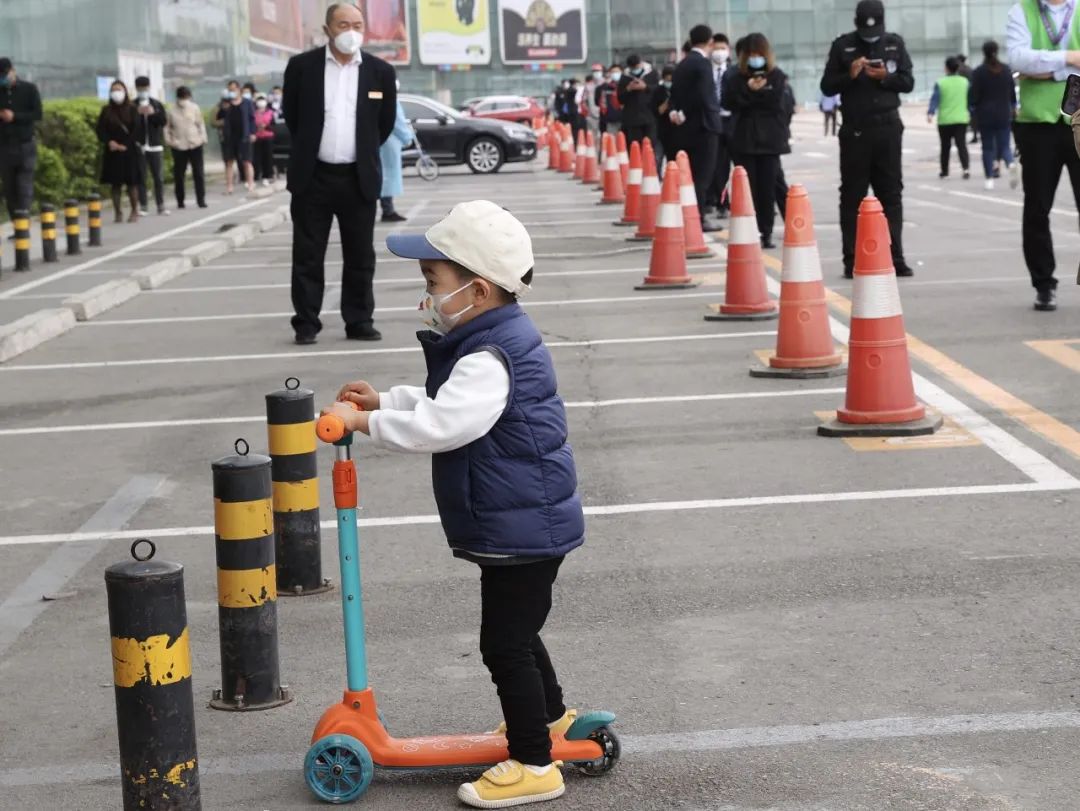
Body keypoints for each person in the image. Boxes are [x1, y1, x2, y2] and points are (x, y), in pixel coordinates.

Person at [325, 199, 584, 810]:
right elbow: (445, 398)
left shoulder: (492, 355)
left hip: (522, 527)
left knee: (505, 643)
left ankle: (533, 763)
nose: (428, 297)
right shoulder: (490, 340)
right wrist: (384, 399)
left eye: (434, 284)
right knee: (519, 634)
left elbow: (442, 424)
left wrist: (362, 422)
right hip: (521, 524)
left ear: (480, 290)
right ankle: (549, 721)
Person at [283, 2, 396, 344]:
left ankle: (359, 321)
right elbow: (293, 116)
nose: (351, 31)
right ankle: (306, 322)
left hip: (358, 178)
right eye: (343, 24)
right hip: (312, 177)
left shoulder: (380, 71)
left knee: (360, 255)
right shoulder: (302, 67)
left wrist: (361, 152)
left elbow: (384, 124)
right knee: (307, 255)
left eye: (358, 24)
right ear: (328, 29)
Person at [820, 0, 915, 278]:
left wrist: (886, 77)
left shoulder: (894, 44)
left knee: (891, 193)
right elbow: (827, 85)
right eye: (865, 30)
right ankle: (851, 259)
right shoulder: (843, 46)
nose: (870, 35)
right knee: (852, 195)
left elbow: (908, 82)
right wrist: (849, 75)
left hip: (887, 127)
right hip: (856, 130)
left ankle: (896, 256)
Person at [1006, 0, 1080, 312]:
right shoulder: (1021, 11)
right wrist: (1070, 60)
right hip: (1036, 124)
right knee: (1037, 209)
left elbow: (1029, 64)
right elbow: (1017, 58)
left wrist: (1044, 71)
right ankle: (1044, 284)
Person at [724, 33, 789, 249]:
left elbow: (776, 103)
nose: (755, 59)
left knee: (768, 188)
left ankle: (767, 232)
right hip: (745, 140)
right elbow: (730, 102)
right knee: (748, 188)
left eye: (759, 54)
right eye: (751, 55)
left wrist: (757, 94)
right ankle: (749, 229)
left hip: (770, 141)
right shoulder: (736, 78)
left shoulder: (776, 76)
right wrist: (750, 91)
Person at [670, 24, 723, 232]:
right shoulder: (702, 64)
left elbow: (676, 93)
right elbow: (704, 96)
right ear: (710, 41)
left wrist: (679, 112)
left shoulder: (682, 64)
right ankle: (699, 217)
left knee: (691, 174)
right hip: (704, 125)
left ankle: (691, 215)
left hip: (686, 127)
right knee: (703, 176)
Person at [970, 40, 1018, 191]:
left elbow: (973, 96)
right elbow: (1012, 94)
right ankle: (1010, 163)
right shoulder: (1006, 70)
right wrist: (1013, 107)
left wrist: (973, 109)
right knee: (1004, 146)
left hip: (985, 114)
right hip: (1004, 113)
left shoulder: (978, 72)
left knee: (988, 148)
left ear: (983, 52)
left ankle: (989, 179)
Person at [0, 58, 42, 229]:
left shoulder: (29, 89)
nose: (3, 78)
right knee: (10, 189)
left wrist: (15, 116)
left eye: (4, 74)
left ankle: (23, 225)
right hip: (4, 146)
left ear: (13, 71)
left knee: (24, 186)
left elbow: (38, 114)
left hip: (25, 145)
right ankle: (16, 224)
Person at [97, 80, 144, 223]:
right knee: (115, 184)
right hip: (112, 151)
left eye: (119, 90)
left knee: (131, 184)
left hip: (129, 151)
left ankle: (134, 210)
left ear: (125, 92)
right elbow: (100, 130)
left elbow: (137, 129)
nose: (116, 93)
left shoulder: (132, 109)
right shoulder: (106, 110)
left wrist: (125, 144)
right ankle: (118, 212)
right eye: (114, 90)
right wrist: (109, 142)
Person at [928, 56, 971, 180]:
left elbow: (935, 99)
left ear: (946, 68)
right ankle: (966, 169)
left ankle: (945, 171)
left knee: (945, 146)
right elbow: (969, 100)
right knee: (961, 145)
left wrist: (930, 113)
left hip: (945, 120)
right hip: (961, 118)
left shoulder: (940, 82)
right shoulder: (965, 82)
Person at [165, 86, 208, 209]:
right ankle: (180, 200)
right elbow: (166, 128)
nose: (184, 100)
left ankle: (201, 199)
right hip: (179, 146)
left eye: (186, 97)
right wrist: (170, 141)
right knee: (179, 174)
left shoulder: (194, 108)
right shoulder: (171, 111)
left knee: (198, 173)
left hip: (195, 143)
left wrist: (203, 138)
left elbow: (200, 124)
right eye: (182, 97)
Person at [132, 77, 168, 216]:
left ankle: (160, 205)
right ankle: (144, 206)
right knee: (142, 176)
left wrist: (153, 114)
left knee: (158, 177)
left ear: (149, 87)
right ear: (136, 89)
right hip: (139, 146)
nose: (143, 91)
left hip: (155, 145)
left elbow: (163, 121)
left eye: (145, 88)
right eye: (140, 89)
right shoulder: (132, 105)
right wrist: (137, 114)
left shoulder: (157, 104)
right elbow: (129, 124)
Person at [379, 90, 414, 223]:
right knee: (388, 177)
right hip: (390, 142)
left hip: (380, 141)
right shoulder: (390, 100)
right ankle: (388, 210)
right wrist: (407, 138)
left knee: (382, 176)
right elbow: (397, 121)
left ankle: (387, 209)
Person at [216, 79, 255, 194]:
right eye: (230, 90)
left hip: (244, 136)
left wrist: (252, 133)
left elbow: (252, 119)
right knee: (229, 162)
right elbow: (219, 117)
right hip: (229, 137)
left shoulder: (247, 102)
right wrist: (224, 106)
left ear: (239, 89)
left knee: (247, 161)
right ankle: (229, 186)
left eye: (234, 89)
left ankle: (250, 183)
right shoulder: (225, 103)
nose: (232, 92)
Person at [709, 33, 734, 217]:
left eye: (722, 49)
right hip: (714, 122)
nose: (719, 52)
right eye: (716, 48)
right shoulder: (705, 71)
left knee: (743, 164)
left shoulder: (734, 71)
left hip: (733, 121)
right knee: (719, 165)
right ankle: (722, 203)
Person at [617, 54, 658, 146]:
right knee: (635, 145)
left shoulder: (651, 73)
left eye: (637, 67)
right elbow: (620, 99)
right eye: (633, 68)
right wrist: (628, 89)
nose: (635, 70)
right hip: (632, 118)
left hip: (649, 116)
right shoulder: (625, 77)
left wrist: (646, 87)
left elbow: (658, 91)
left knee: (649, 145)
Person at [653, 64, 678, 167]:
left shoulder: (679, 90)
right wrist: (667, 103)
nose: (670, 83)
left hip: (676, 130)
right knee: (658, 156)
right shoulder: (658, 91)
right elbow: (656, 110)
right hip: (661, 129)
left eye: (671, 80)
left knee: (673, 158)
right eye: (667, 80)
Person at [252, 94, 276, 186]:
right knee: (257, 157)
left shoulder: (270, 112)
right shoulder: (254, 113)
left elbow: (274, 126)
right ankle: (257, 175)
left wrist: (266, 126)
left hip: (268, 137)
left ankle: (268, 175)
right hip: (257, 137)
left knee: (268, 157)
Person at [956, 53, 979, 144]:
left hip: (965, 96)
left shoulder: (960, 70)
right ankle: (974, 135)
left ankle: (963, 136)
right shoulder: (969, 69)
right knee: (973, 116)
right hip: (972, 95)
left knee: (964, 116)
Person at [598, 64, 622, 134]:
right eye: (613, 72)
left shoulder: (626, 86)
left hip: (625, 119)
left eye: (617, 72)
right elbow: (602, 103)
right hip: (611, 120)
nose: (615, 74)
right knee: (612, 141)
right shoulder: (606, 88)